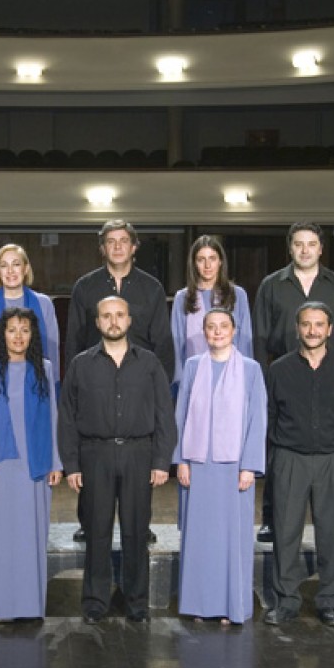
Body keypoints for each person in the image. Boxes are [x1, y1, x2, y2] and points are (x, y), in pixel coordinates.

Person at [58, 296, 177, 624]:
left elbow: (164, 414)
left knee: (136, 531)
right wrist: (72, 464)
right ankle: (95, 601)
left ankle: (136, 601)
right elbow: (67, 416)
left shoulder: (150, 363)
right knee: (96, 530)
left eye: (119, 315)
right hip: (94, 455)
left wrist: (162, 460)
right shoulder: (81, 364)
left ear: (129, 320)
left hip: (139, 454)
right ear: (97, 323)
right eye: (106, 316)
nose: (113, 321)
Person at [65, 220, 173, 543]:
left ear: (134, 246)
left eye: (123, 241)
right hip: (94, 377)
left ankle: (141, 523)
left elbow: (163, 344)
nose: (117, 247)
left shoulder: (151, 288)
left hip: (140, 380)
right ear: (102, 248)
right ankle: (89, 523)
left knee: (138, 458)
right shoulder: (85, 287)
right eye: (110, 241)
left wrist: (159, 393)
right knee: (94, 455)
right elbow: (73, 339)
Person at [253, 221, 334, 543]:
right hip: (284, 375)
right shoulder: (271, 285)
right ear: (290, 247)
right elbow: (259, 337)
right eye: (299, 244)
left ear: (321, 248)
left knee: (326, 459)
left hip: (327, 377)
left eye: (311, 244)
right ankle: (272, 518)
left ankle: (332, 526)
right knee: (279, 450)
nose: (305, 250)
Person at [263, 301, 334, 627]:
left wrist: (327, 441)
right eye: (306, 324)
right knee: (286, 533)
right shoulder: (279, 369)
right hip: (290, 458)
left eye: (319, 324)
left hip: (331, 459)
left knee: (331, 534)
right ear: (297, 327)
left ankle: (329, 601)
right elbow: (270, 416)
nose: (313, 330)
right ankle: (286, 601)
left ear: (330, 329)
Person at [0, 307, 61, 621]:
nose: (18, 336)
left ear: (33, 335)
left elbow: (53, 419)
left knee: (30, 536)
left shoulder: (43, 369)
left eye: (24, 330)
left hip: (34, 465)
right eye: (11, 330)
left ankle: (30, 606)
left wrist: (56, 462)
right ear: (1, 334)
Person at [175, 308, 266, 624]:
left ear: (234, 330)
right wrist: (181, 460)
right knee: (199, 538)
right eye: (211, 327)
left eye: (223, 326)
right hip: (198, 464)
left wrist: (249, 466)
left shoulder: (251, 370)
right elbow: (181, 414)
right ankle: (199, 605)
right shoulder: (192, 367)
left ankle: (230, 606)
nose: (217, 332)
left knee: (231, 540)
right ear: (203, 331)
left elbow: (257, 420)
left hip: (233, 467)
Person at [171, 235, 253, 391]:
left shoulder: (237, 294)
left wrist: (246, 378)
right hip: (194, 379)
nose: (207, 265)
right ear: (194, 264)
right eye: (201, 259)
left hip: (232, 378)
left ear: (220, 261)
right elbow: (177, 343)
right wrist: (180, 383)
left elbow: (245, 339)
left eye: (212, 258)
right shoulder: (182, 297)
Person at [0, 244, 60, 383]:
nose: (10, 271)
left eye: (16, 264)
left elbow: (52, 350)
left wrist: (54, 384)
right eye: (4, 266)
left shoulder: (44, 303)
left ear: (26, 269)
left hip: (35, 382)